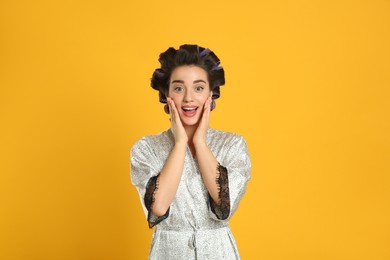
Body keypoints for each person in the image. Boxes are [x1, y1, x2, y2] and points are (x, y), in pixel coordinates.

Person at [130, 44, 251, 259]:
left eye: (198, 88)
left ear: (210, 94)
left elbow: (225, 204)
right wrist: (179, 144)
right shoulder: (146, 148)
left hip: (219, 252)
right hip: (167, 253)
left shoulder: (233, 144)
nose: (188, 98)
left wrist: (200, 143)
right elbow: (157, 208)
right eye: (178, 88)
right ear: (166, 94)